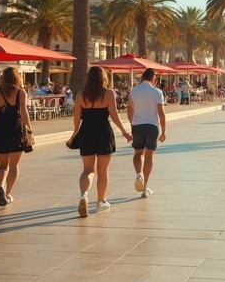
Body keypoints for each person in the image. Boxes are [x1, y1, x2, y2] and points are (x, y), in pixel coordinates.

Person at [67, 66, 132, 216]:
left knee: (88, 170)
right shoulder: (108, 94)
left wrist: (73, 135)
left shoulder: (80, 95)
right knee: (103, 171)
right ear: (103, 78)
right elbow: (114, 116)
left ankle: (84, 195)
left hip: (86, 132)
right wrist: (125, 133)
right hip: (103, 132)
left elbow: (76, 120)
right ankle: (100, 202)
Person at [0, 66, 34, 206]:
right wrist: (30, 129)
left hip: (0, 128)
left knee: (2, 165)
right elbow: (23, 113)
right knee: (14, 165)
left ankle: (0, 184)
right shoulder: (20, 93)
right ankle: (7, 194)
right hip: (16, 128)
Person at [128, 68, 166, 198]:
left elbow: (130, 109)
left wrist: (132, 123)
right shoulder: (157, 92)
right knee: (149, 156)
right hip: (152, 126)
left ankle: (139, 174)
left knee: (138, 153)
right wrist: (164, 131)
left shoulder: (134, 91)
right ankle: (145, 188)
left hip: (137, 125)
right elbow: (161, 112)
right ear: (154, 77)